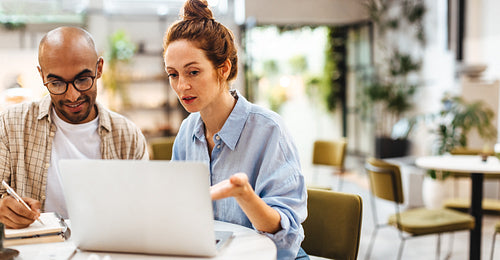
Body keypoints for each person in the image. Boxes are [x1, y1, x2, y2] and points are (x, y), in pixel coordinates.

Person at [163, 1, 308, 259]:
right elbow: (178, 210)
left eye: (193, 72)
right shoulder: (187, 133)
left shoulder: (269, 131)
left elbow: (286, 241)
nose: (182, 86)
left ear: (224, 69)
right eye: (173, 74)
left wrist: (244, 195)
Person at [0, 27, 149, 229]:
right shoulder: (10, 125)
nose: (72, 96)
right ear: (41, 75)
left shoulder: (128, 136)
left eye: (82, 79)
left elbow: (144, 210)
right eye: (56, 83)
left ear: (99, 68)